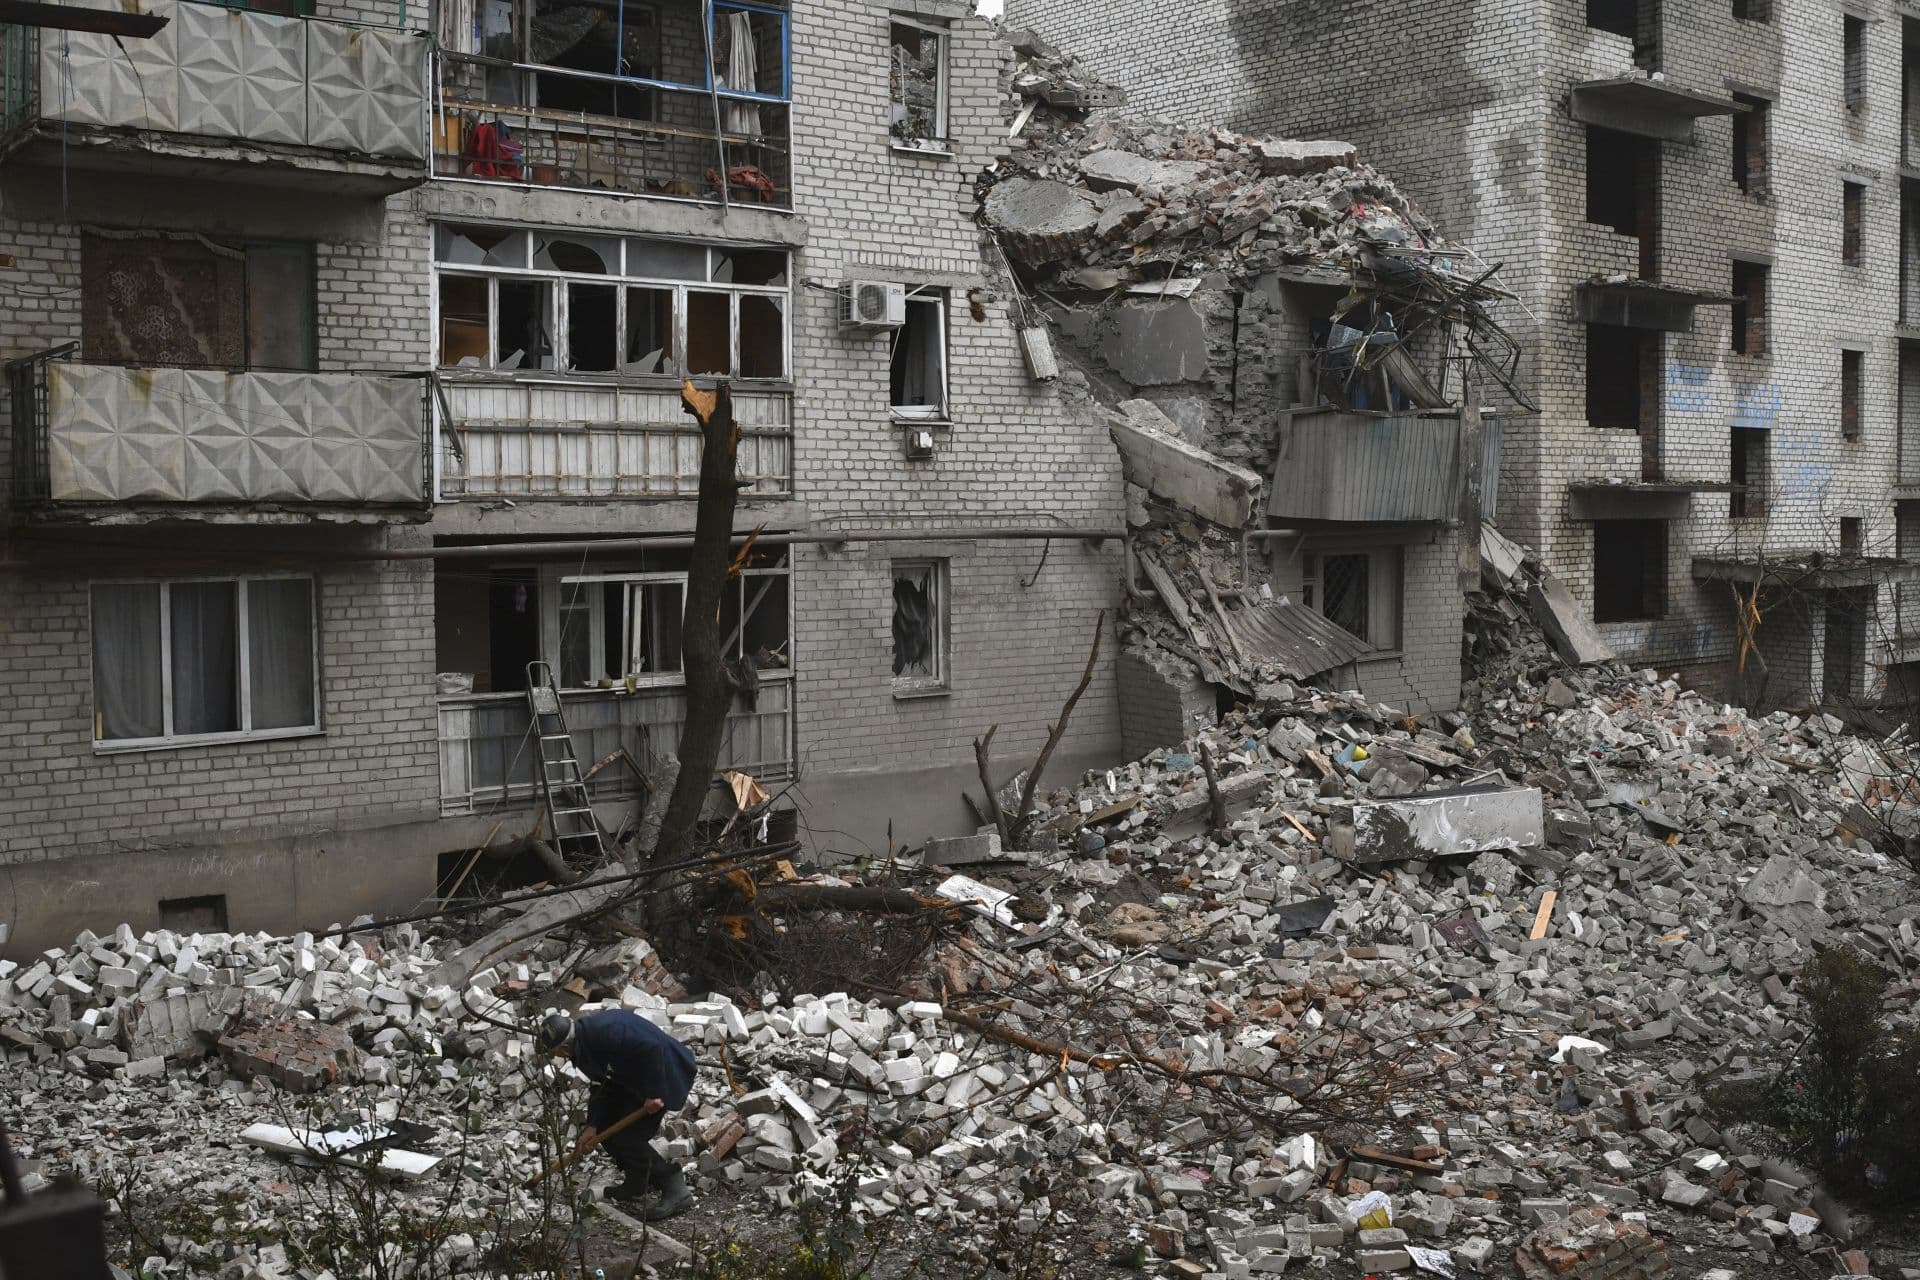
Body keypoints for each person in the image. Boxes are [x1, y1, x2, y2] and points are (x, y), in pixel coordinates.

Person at [535, 1009, 696, 1219]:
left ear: (564, 1047)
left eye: (555, 1052)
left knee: (628, 1137)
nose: (556, 1056)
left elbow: (652, 1048)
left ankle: (674, 1185)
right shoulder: (583, 1046)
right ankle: (638, 1181)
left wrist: (654, 1093)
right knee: (607, 1130)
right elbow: (601, 1085)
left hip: (664, 1071)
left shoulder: (603, 1033)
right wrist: (592, 1125)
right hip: (632, 1079)